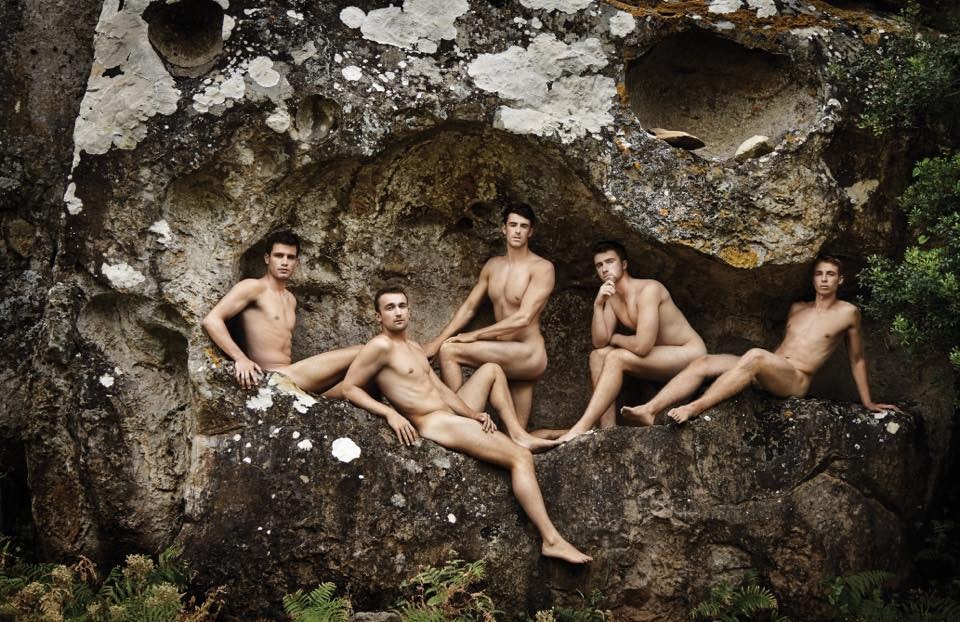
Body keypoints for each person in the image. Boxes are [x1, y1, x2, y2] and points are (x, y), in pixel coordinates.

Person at [341, 286, 590, 563]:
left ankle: (519, 434)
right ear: (378, 317)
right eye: (390, 308)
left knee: (491, 370)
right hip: (435, 422)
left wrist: (473, 414)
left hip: (449, 412)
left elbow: (442, 391)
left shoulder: (414, 347)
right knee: (520, 458)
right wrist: (390, 414)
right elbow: (350, 388)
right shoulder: (380, 347)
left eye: (402, 306)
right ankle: (551, 541)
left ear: (409, 311)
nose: (398, 312)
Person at [621, 256, 901, 425]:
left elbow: (857, 358)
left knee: (755, 355)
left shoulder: (848, 313)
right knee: (704, 361)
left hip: (796, 380)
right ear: (813, 279)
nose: (824, 279)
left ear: (840, 280)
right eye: (819, 274)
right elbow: (785, 347)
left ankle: (693, 408)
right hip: (771, 368)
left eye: (830, 275)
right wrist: (756, 371)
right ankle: (649, 410)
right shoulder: (798, 308)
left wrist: (868, 402)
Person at [550, 241, 707, 442]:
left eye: (610, 262)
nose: (605, 269)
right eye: (599, 265)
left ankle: (581, 427)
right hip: (661, 357)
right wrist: (598, 305)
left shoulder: (649, 289)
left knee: (616, 357)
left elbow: (642, 346)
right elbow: (599, 343)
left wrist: (616, 338)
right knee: (598, 356)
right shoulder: (612, 297)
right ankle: (607, 431)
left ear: (624, 264)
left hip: (689, 354)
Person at [425, 203, 553, 427]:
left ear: (530, 232)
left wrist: (474, 335)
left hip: (528, 353)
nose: (517, 231)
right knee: (516, 436)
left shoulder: (542, 268)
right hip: (505, 354)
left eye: (523, 226)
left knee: (450, 350)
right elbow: (470, 307)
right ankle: (567, 436)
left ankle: (459, 418)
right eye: (513, 225)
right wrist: (436, 341)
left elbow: (523, 318)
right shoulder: (493, 266)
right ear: (504, 228)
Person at [202, 230, 360, 395]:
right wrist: (240, 359)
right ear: (267, 258)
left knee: (362, 380)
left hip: (290, 377)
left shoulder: (290, 299)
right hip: (270, 376)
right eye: (279, 256)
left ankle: (322, 400)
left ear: (296, 262)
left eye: (290, 257)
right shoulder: (253, 287)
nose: (285, 262)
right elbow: (211, 320)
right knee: (364, 350)